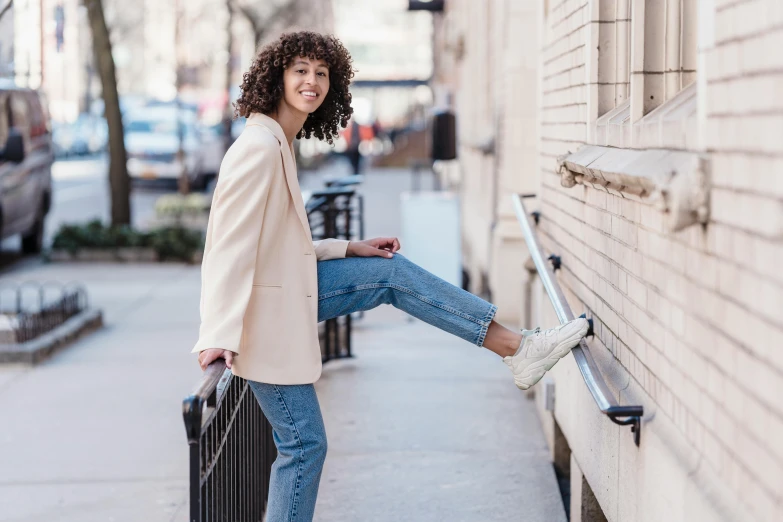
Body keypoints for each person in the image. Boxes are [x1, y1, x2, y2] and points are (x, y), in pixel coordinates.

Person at [192, 31, 589, 522]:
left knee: (389, 274)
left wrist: (346, 249)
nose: (311, 81)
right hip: (263, 318)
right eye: (300, 71)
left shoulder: (277, 141)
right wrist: (217, 334)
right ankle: (518, 349)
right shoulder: (257, 147)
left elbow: (274, 244)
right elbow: (227, 249)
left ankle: (517, 348)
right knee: (303, 446)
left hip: (286, 295)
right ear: (277, 77)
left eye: (321, 73)